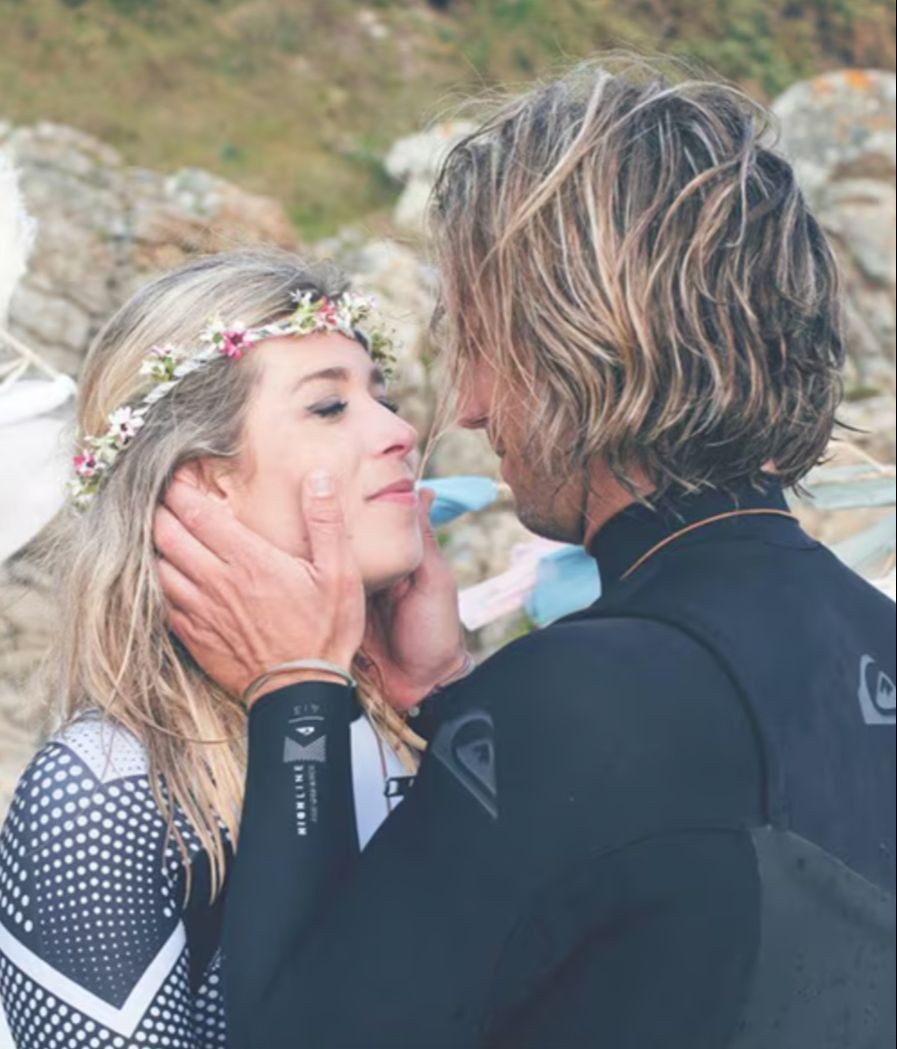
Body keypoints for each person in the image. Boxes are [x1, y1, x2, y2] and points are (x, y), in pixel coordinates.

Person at [156, 60, 896, 1048]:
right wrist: (450, 699)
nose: (465, 408)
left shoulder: (587, 695)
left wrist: (295, 689)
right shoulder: (868, 634)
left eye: (486, 341)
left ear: (576, 344)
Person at [0, 249, 468, 1049]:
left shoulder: (414, 724)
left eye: (380, 397)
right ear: (202, 483)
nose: (399, 430)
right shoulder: (107, 788)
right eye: (329, 407)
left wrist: (442, 695)